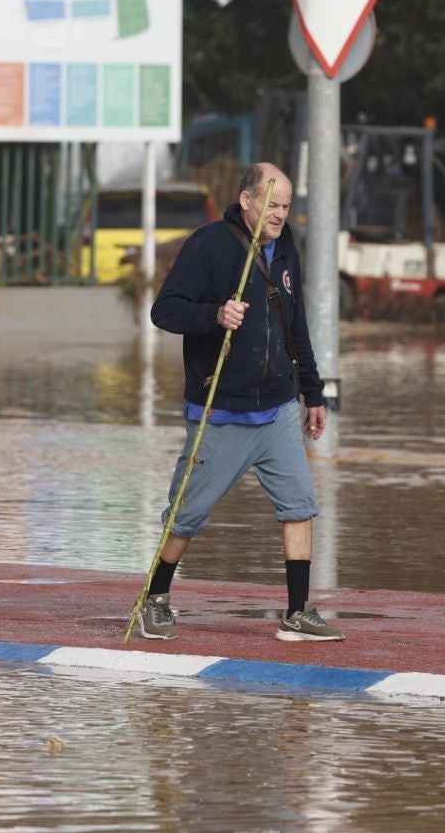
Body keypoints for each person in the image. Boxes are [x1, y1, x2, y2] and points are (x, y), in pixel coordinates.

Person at [141, 162, 344, 643]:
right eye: (272, 204)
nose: (279, 214)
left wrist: (312, 393)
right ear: (247, 200)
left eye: (286, 206)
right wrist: (215, 315)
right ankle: (155, 598)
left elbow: (297, 328)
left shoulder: (287, 247)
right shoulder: (208, 245)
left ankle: (297, 611)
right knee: (186, 514)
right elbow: (164, 311)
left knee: (299, 505)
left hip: (278, 408)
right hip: (221, 412)